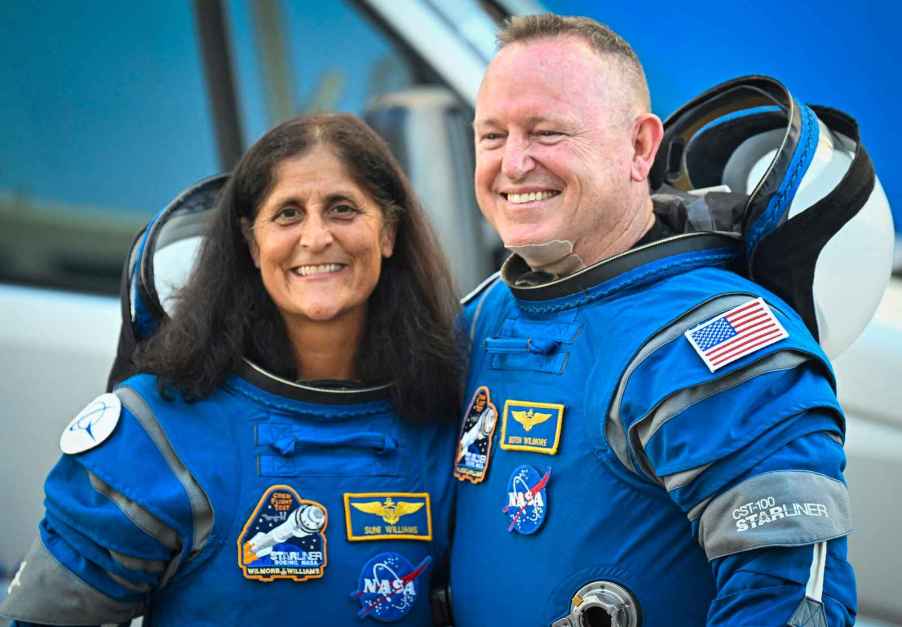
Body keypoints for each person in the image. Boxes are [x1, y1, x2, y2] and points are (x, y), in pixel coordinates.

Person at [450, 14, 857, 626]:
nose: (512, 163)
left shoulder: (716, 340)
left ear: (641, 146)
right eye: (491, 136)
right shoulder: (487, 311)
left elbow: (790, 602)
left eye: (547, 132)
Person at [1, 114, 461, 625]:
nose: (316, 237)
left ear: (389, 231)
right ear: (251, 242)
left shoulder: (441, 420)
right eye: (287, 214)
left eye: (342, 209)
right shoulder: (158, 430)